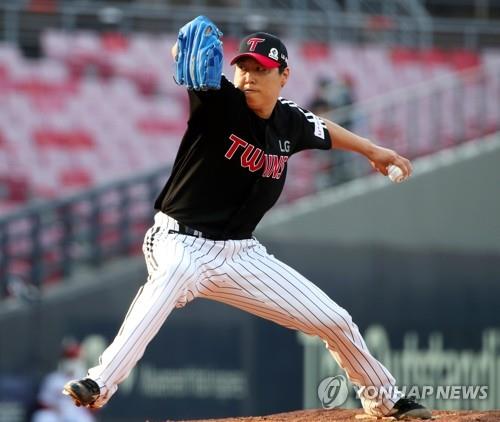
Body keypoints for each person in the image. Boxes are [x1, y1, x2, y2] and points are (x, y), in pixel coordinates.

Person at [63, 16, 431, 420]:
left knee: (335, 320)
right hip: (179, 240)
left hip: (241, 254)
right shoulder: (219, 102)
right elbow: (189, 64)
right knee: (169, 279)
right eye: (243, 67)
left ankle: (384, 400)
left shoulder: (289, 120)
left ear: (284, 75)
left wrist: (373, 150)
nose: (249, 76)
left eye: (261, 69)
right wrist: (178, 50)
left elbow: (322, 128)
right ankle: (99, 383)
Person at [32, 339, 95, 422]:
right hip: (56, 413)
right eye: (68, 358)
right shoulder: (53, 379)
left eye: (74, 358)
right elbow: (43, 402)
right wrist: (55, 408)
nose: (71, 362)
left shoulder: (87, 380)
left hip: (77, 414)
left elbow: (94, 407)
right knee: (42, 417)